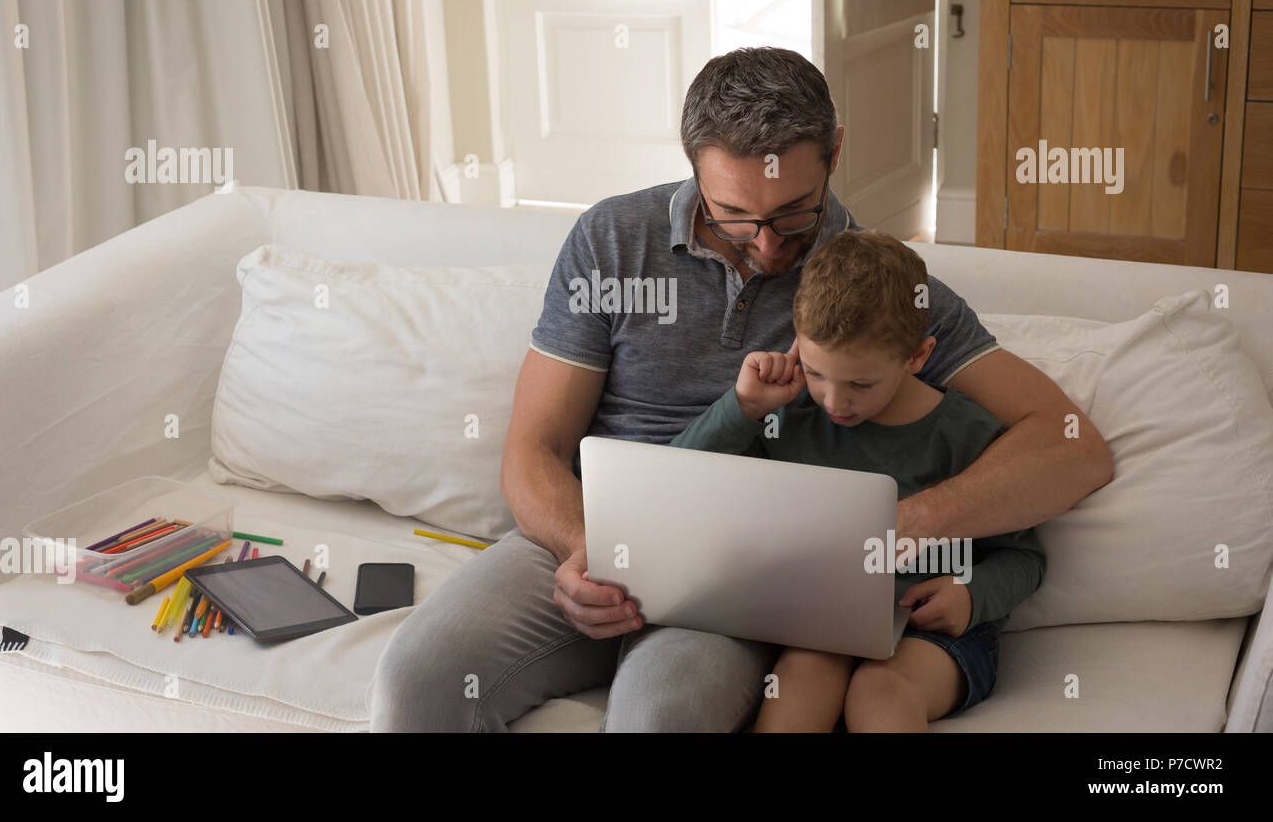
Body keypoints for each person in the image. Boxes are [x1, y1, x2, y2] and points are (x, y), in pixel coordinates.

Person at [369, 46, 1112, 732]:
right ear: (694, 168)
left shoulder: (875, 292)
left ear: (835, 155)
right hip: (593, 540)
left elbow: (1073, 449)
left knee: (664, 717)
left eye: (794, 214)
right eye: (735, 216)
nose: (765, 244)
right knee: (417, 680)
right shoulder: (611, 242)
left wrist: (905, 524)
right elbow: (532, 450)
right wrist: (591, 546)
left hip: (739, 584)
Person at [669, 229, 1045, 731]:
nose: (834, 402)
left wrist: (970, 593)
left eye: (860, 384)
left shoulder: (967, 434)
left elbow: (1026, 555)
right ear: (798, 342)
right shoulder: (786, 411)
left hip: (931, 633)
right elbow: (675, 483)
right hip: (820, 623)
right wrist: (743, 409)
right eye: (818, 372)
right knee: (802, 676)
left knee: (881, 690)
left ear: (918, 356)